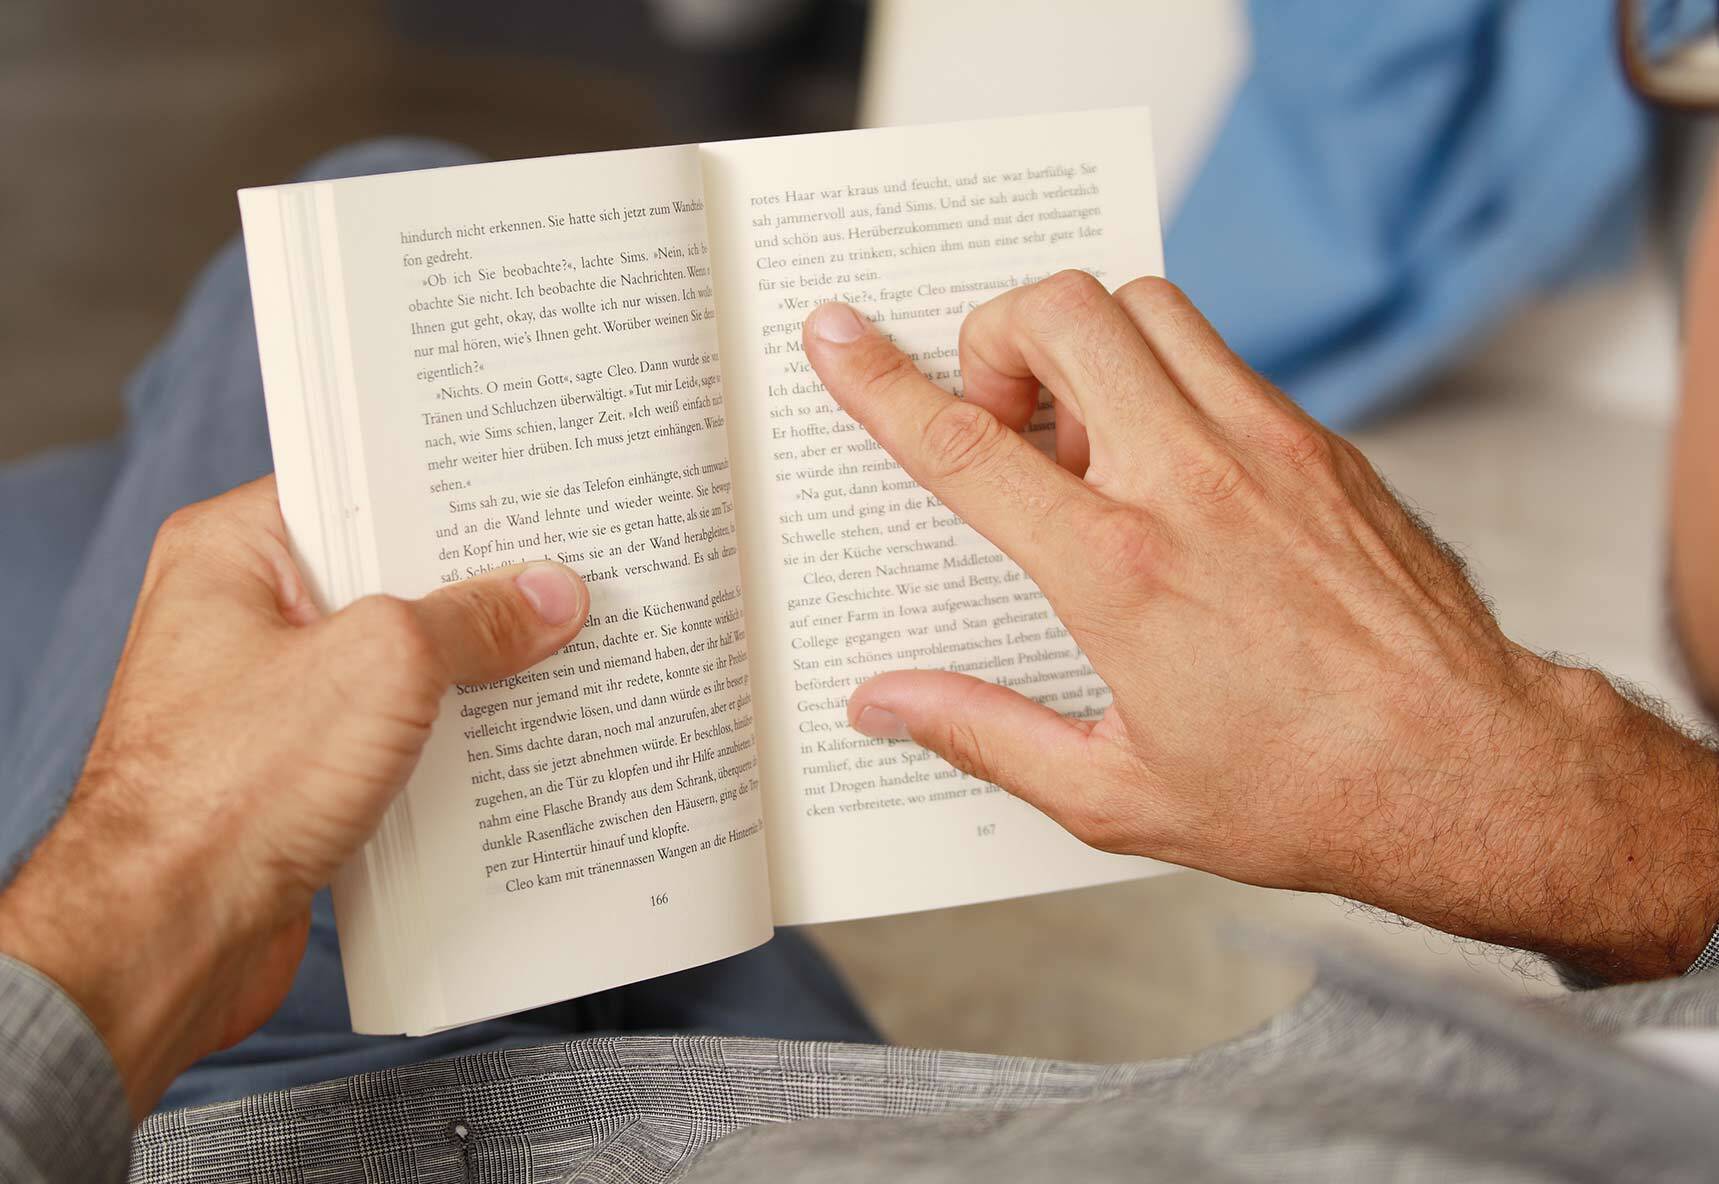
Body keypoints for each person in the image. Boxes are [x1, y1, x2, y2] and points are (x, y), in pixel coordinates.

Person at [7, 133, 1719, 1182]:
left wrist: (149, 888)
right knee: (105, 527)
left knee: (360, 229)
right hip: (791, 1105)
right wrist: (1562, 806)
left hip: (244, 1121)